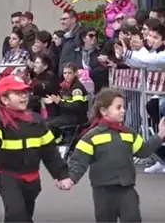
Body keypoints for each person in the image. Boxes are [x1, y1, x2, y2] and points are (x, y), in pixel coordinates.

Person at [63, 88, 165, 222]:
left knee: (132, 218)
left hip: (126, 188)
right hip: (103, 191)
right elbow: (79, 161)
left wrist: (160, 136)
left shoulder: (129, 134)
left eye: (124, 107)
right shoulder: (91, 136)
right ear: (104, 111)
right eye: (118, 107)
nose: (123, 110)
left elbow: (143, 150)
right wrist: (70, 178)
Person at [0, 76, 69, 223]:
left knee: (23, 216)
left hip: (32, 180)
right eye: (18, 93)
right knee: (17, 216)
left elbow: (50, 151)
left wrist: (61, 174)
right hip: (8, 176)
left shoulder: (37, 121)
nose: (24, 96)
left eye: (25, 93)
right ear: (4, 100)